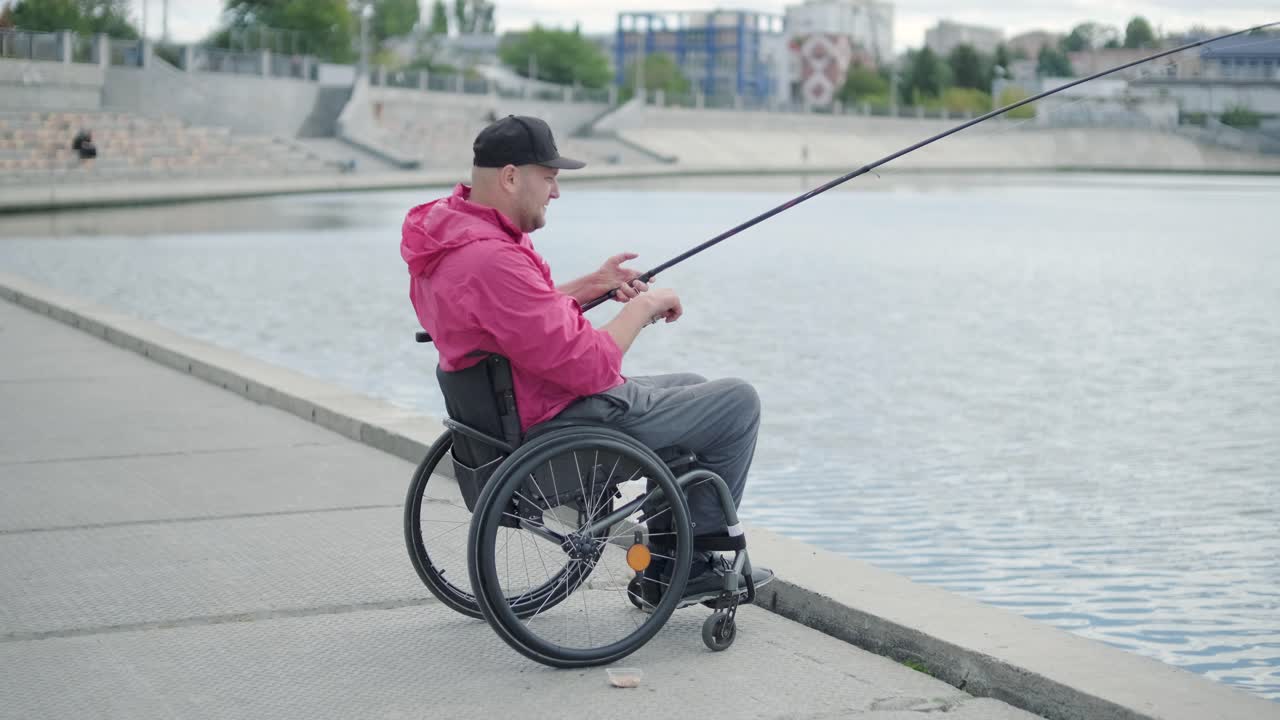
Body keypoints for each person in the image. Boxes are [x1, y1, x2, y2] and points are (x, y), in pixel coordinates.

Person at [400, 114, 771, 603]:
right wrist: (645, 306)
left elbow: (518, 314)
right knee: (736, 403)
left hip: (515, 413)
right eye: (549, 178)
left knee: (692, 385)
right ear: (511, 177)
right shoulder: (493, 259)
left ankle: (668, 555)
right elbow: (593, 366)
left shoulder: (455, 238)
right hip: (559, 424)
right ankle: (687, 565)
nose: (556, 192)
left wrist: (592, 285)